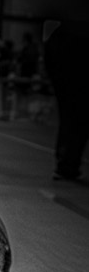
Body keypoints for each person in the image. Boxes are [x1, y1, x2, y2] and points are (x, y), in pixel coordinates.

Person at [43, 21, 89, 182]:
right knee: (79, 122)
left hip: (64, 79)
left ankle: (65, 162)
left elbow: (48, 58)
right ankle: (68, 164)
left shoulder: (64, 33)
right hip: (75, 80)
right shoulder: (74, 36)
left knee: (69, 119)